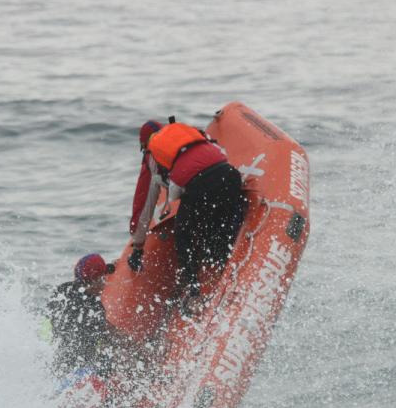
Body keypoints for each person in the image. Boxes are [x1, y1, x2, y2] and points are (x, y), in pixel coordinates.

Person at [127, 118, 247, 298]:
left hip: (201, 187)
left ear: (146, 145)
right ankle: (231, 267)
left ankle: (193, 289)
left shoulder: (153, 154)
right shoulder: (191, 133)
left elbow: (145, 204)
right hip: (230, 177)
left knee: (183, 235)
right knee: (220, 227)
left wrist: (137, 247)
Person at [47, 253, 118, 375]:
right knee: (111, 355)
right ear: (95, 281)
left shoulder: (62, 290)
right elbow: (110, 335)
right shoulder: (94, 308)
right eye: (102, 278)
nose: (105, 283)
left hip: (56, 362)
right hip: (80, 370)